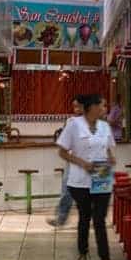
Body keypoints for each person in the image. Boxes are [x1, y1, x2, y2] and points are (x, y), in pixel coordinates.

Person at [56, 93, 119, 260]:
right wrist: (82, 163)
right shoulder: (74, 125)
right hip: (79, 180)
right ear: (91, 107)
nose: (105, 109)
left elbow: (108, 148)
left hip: (101, 177)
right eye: (102, 106)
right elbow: (62, 152)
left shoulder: (105, 127)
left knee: (99, 218)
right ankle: (82, 251)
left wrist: (111, 158)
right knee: (85, 216)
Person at [47, 95, 85, 227]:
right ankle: (61, 218)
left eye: (78, 106)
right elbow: (64, 141)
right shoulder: (70, 121)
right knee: (67, 189)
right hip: (72, 161)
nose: (76, 109)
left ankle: (87, 219)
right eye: (74, 106)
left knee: (87, 193)